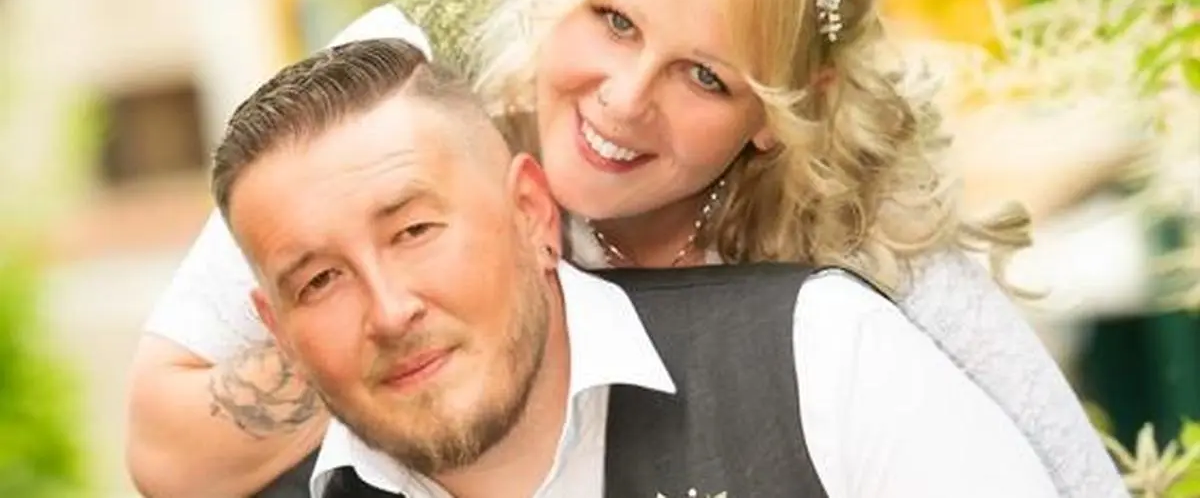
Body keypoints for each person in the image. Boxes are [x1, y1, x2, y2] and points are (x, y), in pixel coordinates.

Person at [125, 0, 1125, 498]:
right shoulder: (408, 88)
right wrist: (410, 318)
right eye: (613, 20)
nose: (624, 97)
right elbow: (163, 445)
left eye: (704, 76)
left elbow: (1072, 472)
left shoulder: (861, 259)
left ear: (779, 115)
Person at [219, 36, 1059, 497]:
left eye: (414, 230)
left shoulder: (817, 354)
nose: (388, 308)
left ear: (531, 214)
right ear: (278, 330)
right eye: (319, 280)